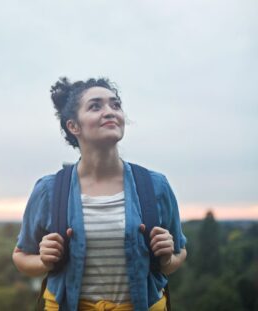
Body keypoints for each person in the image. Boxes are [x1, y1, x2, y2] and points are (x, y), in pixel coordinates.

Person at [12, 77, 187, 311]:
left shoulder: (155, 186)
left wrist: (167, 258)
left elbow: (178, 255)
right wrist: (43, 260)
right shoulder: (49, 190)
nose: (109, 112)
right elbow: (21, 256)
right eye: (96, 106)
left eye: (115, 105)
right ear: (73, 126)